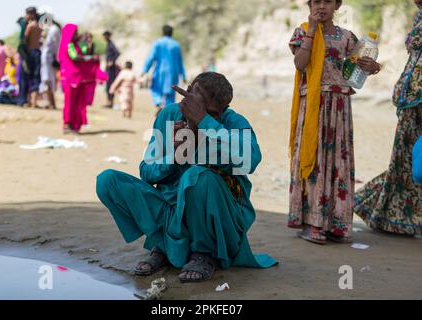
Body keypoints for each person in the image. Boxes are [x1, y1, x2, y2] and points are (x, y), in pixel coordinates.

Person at [97, 72, 278, 283]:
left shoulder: (232, 122)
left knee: (197, 176)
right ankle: (163, 245)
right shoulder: (169, 116)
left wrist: (205, 123)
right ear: (186, 97)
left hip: (219, 219)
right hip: (171, 211)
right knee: (108, 181)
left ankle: (205, 253)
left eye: (209, 113)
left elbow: (251, 161)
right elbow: (147, 172)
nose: (194, 116)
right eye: (192, 107)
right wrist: (174, 155)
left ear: (223, 110)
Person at [287, 0, 382, 244]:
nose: (321, 6)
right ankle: (314, 224)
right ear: (309, 5)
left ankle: (337, 225)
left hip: (339, 108)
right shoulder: (301, 31)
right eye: (315, 1)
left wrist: (372, 67)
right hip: (313, 108)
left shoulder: (348, 37)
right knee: (316, 159)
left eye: (327, 1)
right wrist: (311, 30)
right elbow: (300, 63)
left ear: (337, 5)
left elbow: (357, 70)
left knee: (337, 161)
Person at [354, 2, 422, 236]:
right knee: (405, 160)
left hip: (415, 96)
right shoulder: (419, 16)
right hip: (411, 97)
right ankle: (392, 215)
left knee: (410, 161)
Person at [58, 24, 106, 134]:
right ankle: (67, 124)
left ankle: (75, 124)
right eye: (75, 32)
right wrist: (90, 58)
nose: (76, 34)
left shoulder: (75, 44)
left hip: (79, 78)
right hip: (71, 78)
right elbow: (74, 56)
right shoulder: (68, 45)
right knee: (70, 102)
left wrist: (87, 43)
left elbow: (83, 52)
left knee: (78, 102)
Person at [142, 25, 186, 115]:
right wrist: (183, 75)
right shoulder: (176, 45)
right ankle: (167, 108)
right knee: (171, 91)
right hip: (173, 72)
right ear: (172, 33)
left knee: (156, 88)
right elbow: (180, 61)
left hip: (160, 72)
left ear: (162, 32)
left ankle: (158, 104)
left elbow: (151, 57)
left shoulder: (158, 43)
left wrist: (145, 70)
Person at [17, 7, 42, 108]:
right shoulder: (40, 26)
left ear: (31, 14)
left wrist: (23, 24)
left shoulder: (30, 26)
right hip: (37, 52)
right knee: (36, 76)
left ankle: (23, 100)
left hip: (29, 53)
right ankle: (34, 102)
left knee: (24, 76)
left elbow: (23, 40)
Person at [40, 20, 61, 109]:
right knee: (48, 80)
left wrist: (55, 56)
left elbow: (55, 45)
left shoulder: (53, 29)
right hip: (48, 57)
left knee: (48, 80)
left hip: (49, 58)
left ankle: (52, 104)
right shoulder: (50, 30)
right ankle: (51, 103)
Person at [103, 31, 120, 109]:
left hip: (111, 69)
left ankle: (110, 102)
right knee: (108, 85)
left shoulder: (111, 44)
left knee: (110, 84)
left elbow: (117, 53)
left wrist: (112, 61)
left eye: (105, 36)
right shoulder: (108, 44)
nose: (104, 37)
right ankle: (108, 102)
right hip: (108, 68)